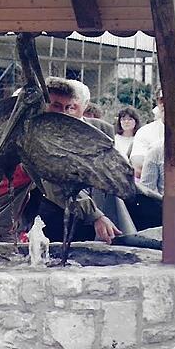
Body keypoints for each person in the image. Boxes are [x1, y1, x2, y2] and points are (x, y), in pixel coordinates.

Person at [37, 77, 121, 243]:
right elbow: (54, 182)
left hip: (71, 207)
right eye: (56, 106)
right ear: (41, 104)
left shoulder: (60, 130)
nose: (62, 113)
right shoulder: (36, 132)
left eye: (67, 107)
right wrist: (96, 216)